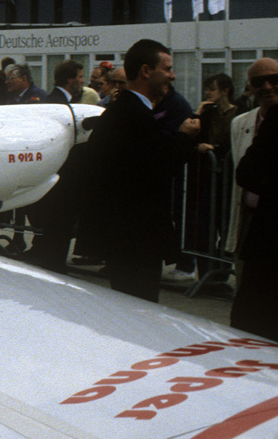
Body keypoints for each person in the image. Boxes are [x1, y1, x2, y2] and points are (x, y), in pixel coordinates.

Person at [80, 39, 199, 302]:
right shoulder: (134, 114)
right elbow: (156, 167)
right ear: (146, 71)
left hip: (124, 235)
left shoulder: (122, 111)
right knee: (140, 306)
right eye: (167, 68)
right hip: (136, 238)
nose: (173, 75)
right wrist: (185, 138)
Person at [230, 41, 278, 343]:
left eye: (277, 76)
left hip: (276, 238)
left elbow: (249, 172)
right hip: (250, 221)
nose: (268, 86)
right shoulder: (240, 123)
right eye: (259, 82)